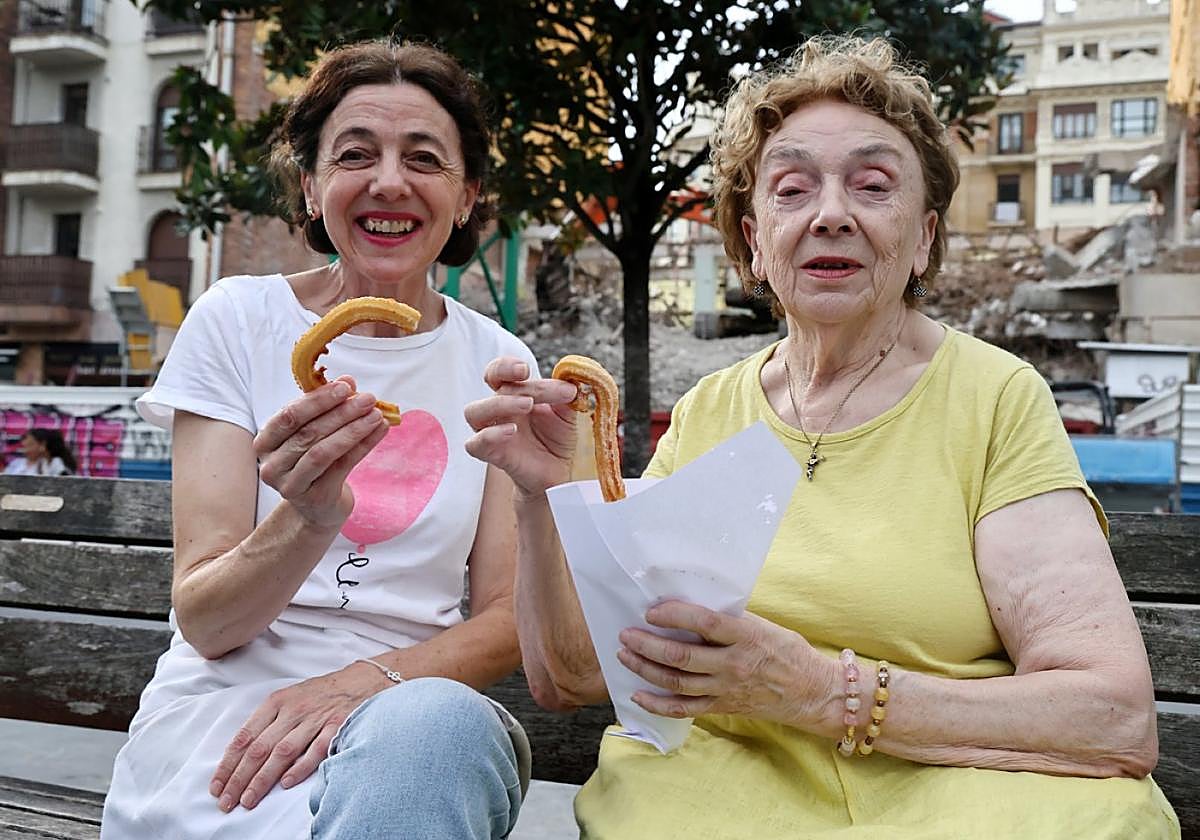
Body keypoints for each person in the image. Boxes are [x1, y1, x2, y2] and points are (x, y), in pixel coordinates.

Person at [465, 35, 1181, 838]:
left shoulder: (997, 400)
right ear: (754, 243)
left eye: (872, 187)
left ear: (924, 238)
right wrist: (542, 494)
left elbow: (1114, 718)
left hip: (958, 785)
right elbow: (577, 675)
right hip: (724, 796)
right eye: (793, 189)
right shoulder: (708, 414)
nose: (831, 214)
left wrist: (816, 689)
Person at [102, 41, 535, 840]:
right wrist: (308, 516)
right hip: (225, 732)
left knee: (440, 732)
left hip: (406, 714)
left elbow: (508, 617)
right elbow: (206, 621)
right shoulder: (238, 321)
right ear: (311, 186)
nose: (389, 182)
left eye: (425, 158)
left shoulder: (499, 365)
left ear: (468, 194)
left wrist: (362, 685)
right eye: (355, 154)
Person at [3, 429, 76, 476]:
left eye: (30, 444)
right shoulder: (17, 463)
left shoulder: (55, 464)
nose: (23, 444)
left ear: (42, 445)